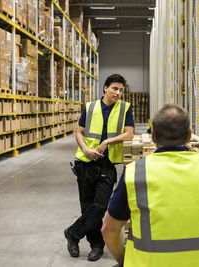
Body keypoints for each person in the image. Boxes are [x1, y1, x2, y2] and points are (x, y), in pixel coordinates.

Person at [101, 104, 199, 267]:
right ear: (190, 135)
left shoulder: (135, 173)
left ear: (153, 137)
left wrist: (124, 260)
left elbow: (109, 230)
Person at [64, 74, 134, 261]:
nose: (118, 93)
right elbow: (79, 133)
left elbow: (129, 134)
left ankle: (73, 233)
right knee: (87, 206)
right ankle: (96, 245)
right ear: (105, 88)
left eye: (121, 90)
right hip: (85, 163)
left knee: (100, 206)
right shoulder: (90, 107)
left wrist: (107, 142)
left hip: (107, 164)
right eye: (114, 89)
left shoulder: (125, 108)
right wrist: (86, 149)